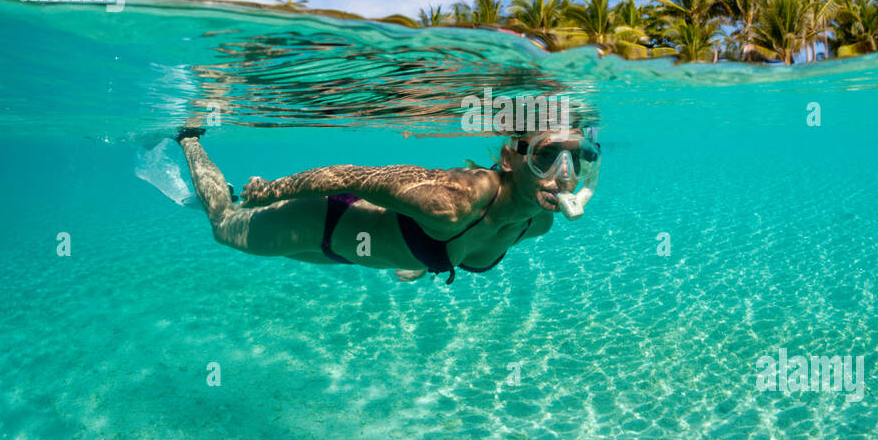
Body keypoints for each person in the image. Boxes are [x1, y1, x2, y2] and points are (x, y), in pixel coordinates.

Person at [173, 125, 600, 283]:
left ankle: (225, 191)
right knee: (224, 225)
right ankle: (190, 139)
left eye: (576, 157)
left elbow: (460, 245)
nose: (564, 173)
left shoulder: (537, 223)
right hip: (322, 220)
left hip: (348, 255)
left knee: (254, 231)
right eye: (546, 155)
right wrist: (273, 190)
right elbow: (345, 176)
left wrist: (427, 258)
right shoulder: (450, 202)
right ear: (510, 158)